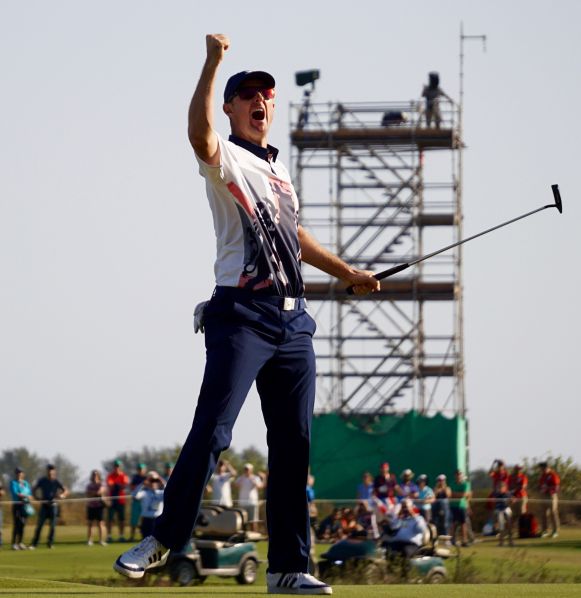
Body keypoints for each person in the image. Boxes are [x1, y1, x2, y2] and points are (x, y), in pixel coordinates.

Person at [113, 33, 378, 594]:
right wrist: (213, 64)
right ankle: (163, 539)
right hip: (240, 315)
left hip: (293, 325)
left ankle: (287, 569)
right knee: (213, 429)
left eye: (267, 95)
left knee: (293, 448)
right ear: (233, 107)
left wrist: (347, 273)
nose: (261, 101)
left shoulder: (279, 175)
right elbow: (197, 134)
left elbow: (296, 238)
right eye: (249, 94)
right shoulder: (225, 156)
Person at [381, 498, 427, 579]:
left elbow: (421, 529)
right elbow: (393, 528)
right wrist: (397, 518)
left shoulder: (418, 518)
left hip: (412, 544)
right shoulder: (400, 519)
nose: (405, 509)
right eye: (403, 507)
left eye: (406, 507)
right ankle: (390, 575)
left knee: (405, 551)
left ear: (411, 507)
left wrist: (413, 515)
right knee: (387, 550)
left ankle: (405, 576)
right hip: (398, 542)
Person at [30, 464, 68, 549]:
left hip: (53, 506)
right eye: (49, 470)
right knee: (39, 525)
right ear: (47, 471)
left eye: (52, 471)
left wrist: (62, 496)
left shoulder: (56, 481)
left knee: (52, 526)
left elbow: (65, 491)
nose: (50, 472)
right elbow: (34, 489)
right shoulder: (42, 480)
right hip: (44, 506)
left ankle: (50, 543)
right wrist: (36, 498)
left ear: (54, 472)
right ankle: (34, 544)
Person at [134, 472, 165, 539]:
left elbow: (170, 492)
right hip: (146, 520)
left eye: (155, 481)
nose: (153, 483)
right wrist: (142, 483)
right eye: (151, 481)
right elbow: (135, 495)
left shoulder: (161, 493)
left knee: (158, 541)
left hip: (158, 520)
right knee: (145, 541)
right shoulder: (144, 493)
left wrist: (161, 481)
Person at [236, 463, 266, 531]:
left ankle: (254, 536)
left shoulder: (255, 478)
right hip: (242, 503)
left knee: (253, 521)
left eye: (248, 469)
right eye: (245, 469)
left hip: (252, 502)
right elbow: (236, 485)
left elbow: (260, 486)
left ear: (251, 470)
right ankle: (244, 536)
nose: (246, 470)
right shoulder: (241, 478)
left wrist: (254, 482)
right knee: (243, 521)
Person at [107, 459, 129, 542]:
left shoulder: (123, 475)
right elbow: (111, 486)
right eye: (115, 466)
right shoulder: (110, 475)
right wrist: (118, 485)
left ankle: (121, 536)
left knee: (121, 519)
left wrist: (117, 485)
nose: (117, 467)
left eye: (118, 466)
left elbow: (124, 485)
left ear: (120, 467)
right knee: (110, 519)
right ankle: (109, 536)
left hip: (121, 500)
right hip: (112, 500)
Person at [10, 468, 32, 550]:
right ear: (16, 474)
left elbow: (30, 494)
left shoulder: (26, 483)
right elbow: (15, 493)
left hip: (25, 506)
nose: (19, 474)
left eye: (20, 472)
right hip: (17, 505)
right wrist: (25, 495)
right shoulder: (13, 483)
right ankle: (13, 543)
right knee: (16, 524)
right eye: (18, 473)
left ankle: (20, 543)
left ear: (23, 474)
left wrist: (28, 497)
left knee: (23, 524)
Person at [538, 461, 560, 538]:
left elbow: (556, 487)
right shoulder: (542, 476)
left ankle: (555, 531)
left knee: (553, 513)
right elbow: (540, 485)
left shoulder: (553, 475)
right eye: (541, 468)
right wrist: (542, 489)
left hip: (551, 496)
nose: (542, 470)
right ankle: (545, 530)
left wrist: (548, 488)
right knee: (543, 513)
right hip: (544, 496)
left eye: (543, 468)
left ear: (547, 467)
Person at [86, 470, 108, 546]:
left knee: (100, 524)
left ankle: (101, 540)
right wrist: (96, 493)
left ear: (98, 476)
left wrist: (95, 493)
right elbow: (88, 494)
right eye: (93, 475)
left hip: (99, 507)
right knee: (90, 524)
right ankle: (90, 540)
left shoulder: (101, 484)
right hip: (91, 506)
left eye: (96, 475)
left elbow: (100, 491)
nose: (95, 476)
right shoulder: (89, 485)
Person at [450, 470, 471, 546]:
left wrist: (454, 494)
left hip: (462, 506)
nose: (458, 476)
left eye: (459, 474)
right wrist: (459, 494)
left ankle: (464, 541)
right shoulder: (452, 484)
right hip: (453, 506)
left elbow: (464, 495)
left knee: (463, 524)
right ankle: (452, 540)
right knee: (453, 523)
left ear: (462, 476)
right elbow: (450, 494)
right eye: (457, 474)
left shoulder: (466, 484)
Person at [129, 464, 147, 542]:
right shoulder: (135, 478)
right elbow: (132, 487)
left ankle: (144, 536)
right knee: (134, 520)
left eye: (142, 469)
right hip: (136, 501)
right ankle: (132, 537)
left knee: (144, 520)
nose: (140, 470)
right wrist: (141, 485)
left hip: (145, 502)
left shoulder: (147, 478)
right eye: (139, 469)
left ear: (144, 469)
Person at [492, 481, 514, 547]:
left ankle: (511, 542)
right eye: (498, 487)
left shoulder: (508, 494)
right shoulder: (496, 494)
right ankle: (501, 542)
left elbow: (512, 500)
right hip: (499, 511)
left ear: (505, 488)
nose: (499, 489)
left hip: (506, 510)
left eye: (501, 487)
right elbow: (493, 501)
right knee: (501, 527)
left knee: (509, 526)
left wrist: (512, 500)